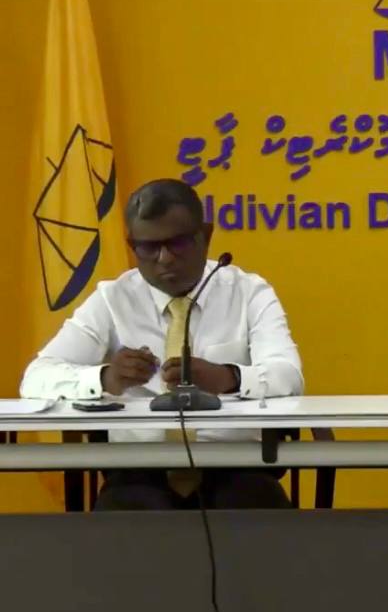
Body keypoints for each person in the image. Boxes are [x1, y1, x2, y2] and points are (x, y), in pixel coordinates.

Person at [21, 178, 304, 510]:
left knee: (256, 510)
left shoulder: (249, 292)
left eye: (178, 243)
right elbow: (36, 377)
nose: (165, 258)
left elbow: (289, 375)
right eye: (148, 247)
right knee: (128, 515)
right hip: (138, 470)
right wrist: (105, 378)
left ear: (206, 235)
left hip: (236, 465)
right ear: (132, 245)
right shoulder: (112, 299)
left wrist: (229, 377)